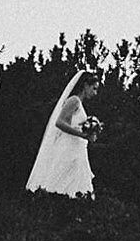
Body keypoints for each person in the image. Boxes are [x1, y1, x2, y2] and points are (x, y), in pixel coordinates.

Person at [25, 69, 101, 197]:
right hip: (69, 147)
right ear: (85, 85)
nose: (95, 93)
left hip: (77, 147)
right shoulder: (74, 100)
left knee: (75, 182)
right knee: (64, 181)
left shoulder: (79, 103)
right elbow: (59, 122)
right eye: (94, 88)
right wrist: (83, 135)